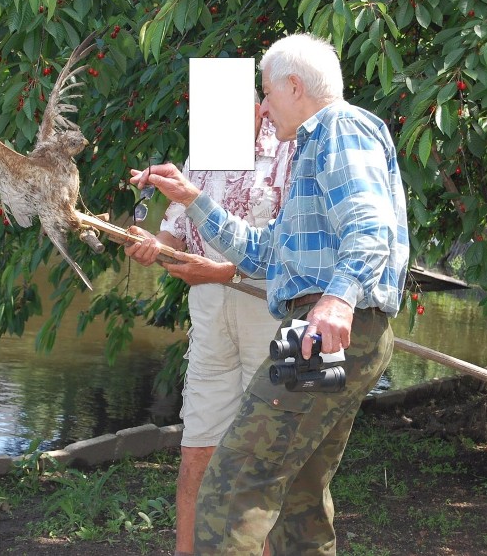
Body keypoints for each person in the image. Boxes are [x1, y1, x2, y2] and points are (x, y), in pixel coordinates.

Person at [129, 33, 409, 556]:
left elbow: (372, 228)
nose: (261, 107)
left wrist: (339, 299)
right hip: (320, 327)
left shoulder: (341, 129)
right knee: (299, 491)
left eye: (266, 93)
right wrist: (192, 200)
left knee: (233, 482)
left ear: (295, 86)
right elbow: (267, 254)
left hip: (321, 330)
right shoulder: (311, 147)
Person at [123, 93, 295, 556]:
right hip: (209, 308)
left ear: (259, 106)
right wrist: (149, 244)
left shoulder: (290, 146)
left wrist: (224, 272)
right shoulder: (203, 156)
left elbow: (296, 248)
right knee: (199, 440)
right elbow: (173, 236)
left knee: (274, 446)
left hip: (272, 306)